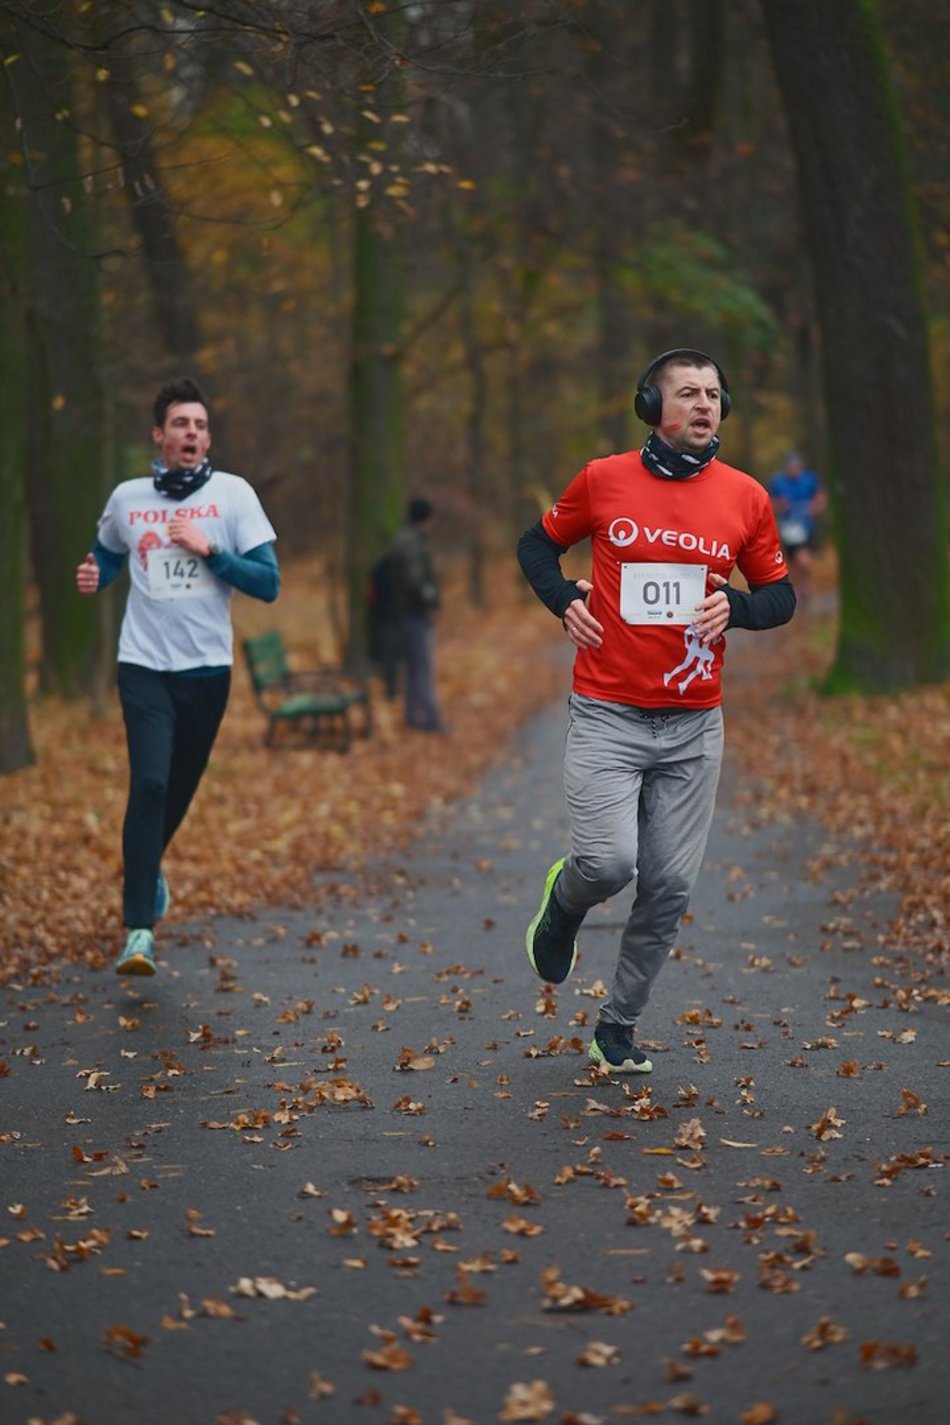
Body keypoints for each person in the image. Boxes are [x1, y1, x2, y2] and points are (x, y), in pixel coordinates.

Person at [517, 348, 795, 1075]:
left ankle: (618, 1025)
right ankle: (565, 901)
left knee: (668, 885)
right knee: (608, 861)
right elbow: (537, 545)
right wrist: (563, 600)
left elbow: (780, 596)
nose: (704, 404)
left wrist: (735, 606)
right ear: (651, 406)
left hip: (694, 724)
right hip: (607, 710)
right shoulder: (603, 479)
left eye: (714, 394)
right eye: (688, 393)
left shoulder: (746, 496)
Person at [76, 376, 280, 977]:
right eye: (180, 424)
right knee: (149, 784)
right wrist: (97, 573)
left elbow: (268, 584)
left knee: (177, 791)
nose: (191, 433)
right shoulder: (128, 498)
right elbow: (108, 551)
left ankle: (147, 871)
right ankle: (139, 929)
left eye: (200, 425)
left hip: (207, 671)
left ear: (207, 439)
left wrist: (210, 551)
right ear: (159, 436)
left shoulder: (233, 496)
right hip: (143, 665)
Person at [388, 497, 447, 733]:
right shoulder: (412, 543)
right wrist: (430, 601)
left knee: (413, 667)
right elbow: (415, 581)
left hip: (404, 612)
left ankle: (413, 716)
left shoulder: (404, 539)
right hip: (415, 613)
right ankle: (429, 718)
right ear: (425, 518)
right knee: (422, 667)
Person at [769, 451, 827, 606]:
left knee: (804, 561)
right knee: (792, 563)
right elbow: (769, 502)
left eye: (795, 465)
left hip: (806, 527)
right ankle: (800, 592)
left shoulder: (810, 479)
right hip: (788, 528)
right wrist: (779, 505)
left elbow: (821, 496)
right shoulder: (778, 482)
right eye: (790, 466)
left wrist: (813, 507)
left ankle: (807, 588)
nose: (793, 469)